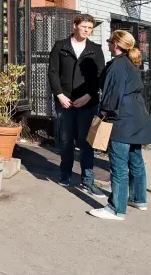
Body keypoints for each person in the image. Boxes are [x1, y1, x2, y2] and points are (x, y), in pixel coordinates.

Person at [88, 30, 151, 220]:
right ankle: (138, 199)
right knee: (136, 160)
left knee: (118, 164)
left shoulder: (118, 65)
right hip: (136, 117)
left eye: (110, 41)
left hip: (121, 117)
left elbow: (113, 92)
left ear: (116, 44)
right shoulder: (129, 63)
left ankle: (116, 209)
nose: (109, 43)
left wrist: (105, 111)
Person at [47, 14, 106, 196]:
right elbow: (53, 72)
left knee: (87, 142)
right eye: (84, 26)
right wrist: (59, 95)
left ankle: (88, 180)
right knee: (66, 141)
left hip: (88, 103)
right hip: (66, 102)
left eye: (90, 28)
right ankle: (65, 174)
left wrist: (89, 96)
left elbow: (100, 76)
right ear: (75, 26)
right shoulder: (61, 46)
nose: (87, 30)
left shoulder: (96, 49)